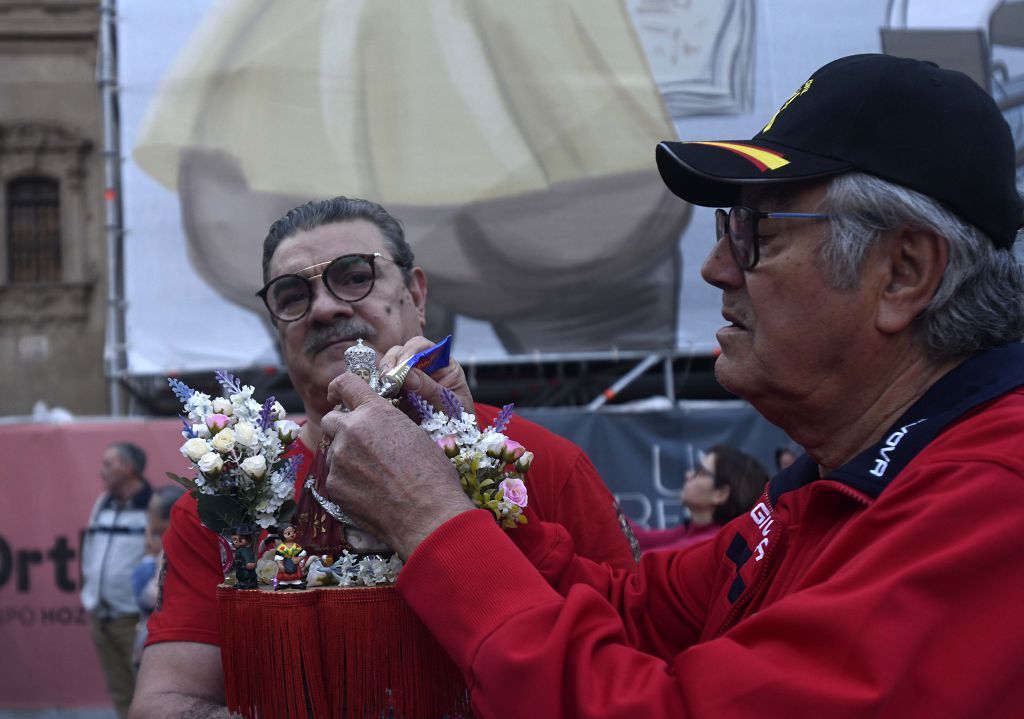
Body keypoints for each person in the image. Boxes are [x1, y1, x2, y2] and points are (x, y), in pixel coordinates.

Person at [320, 54, 1024, 717]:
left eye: (757, 231)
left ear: (902, 273)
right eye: (726, 226)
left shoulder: (994, 496)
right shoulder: (841, 481)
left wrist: (429, 516)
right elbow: (633, 615)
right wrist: (455, 462)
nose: (717, 267)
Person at [131, 197, 637, 718]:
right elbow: (166, 703)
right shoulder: (224, 499)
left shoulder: (542, 466)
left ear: (416, 292)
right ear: (277, 327)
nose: (326, 308)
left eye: (354, 277)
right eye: (292, 294)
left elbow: (635, 663)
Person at [81, 442, 153, 719]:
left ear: (128, 468)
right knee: (121, 696)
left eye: (108, 464)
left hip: (134, 620)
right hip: (101, 617)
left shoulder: (151, 507)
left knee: (147, 697)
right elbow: (90, 552)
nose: (101, 471)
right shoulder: (102, 503)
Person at [632, 444, 768, 553]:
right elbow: (637, 540)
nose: (688, 475)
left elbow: (638, 561)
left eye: (700, 472)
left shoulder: (708, 544)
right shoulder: (693, 531)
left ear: (720, 494)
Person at [131, 484, 186, 668]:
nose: (148, 517)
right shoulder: (164, 546)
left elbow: (152, 596)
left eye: (151, 512)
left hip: (166, 635)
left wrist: (148, 560)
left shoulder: (172, 549)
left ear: (167, 518)